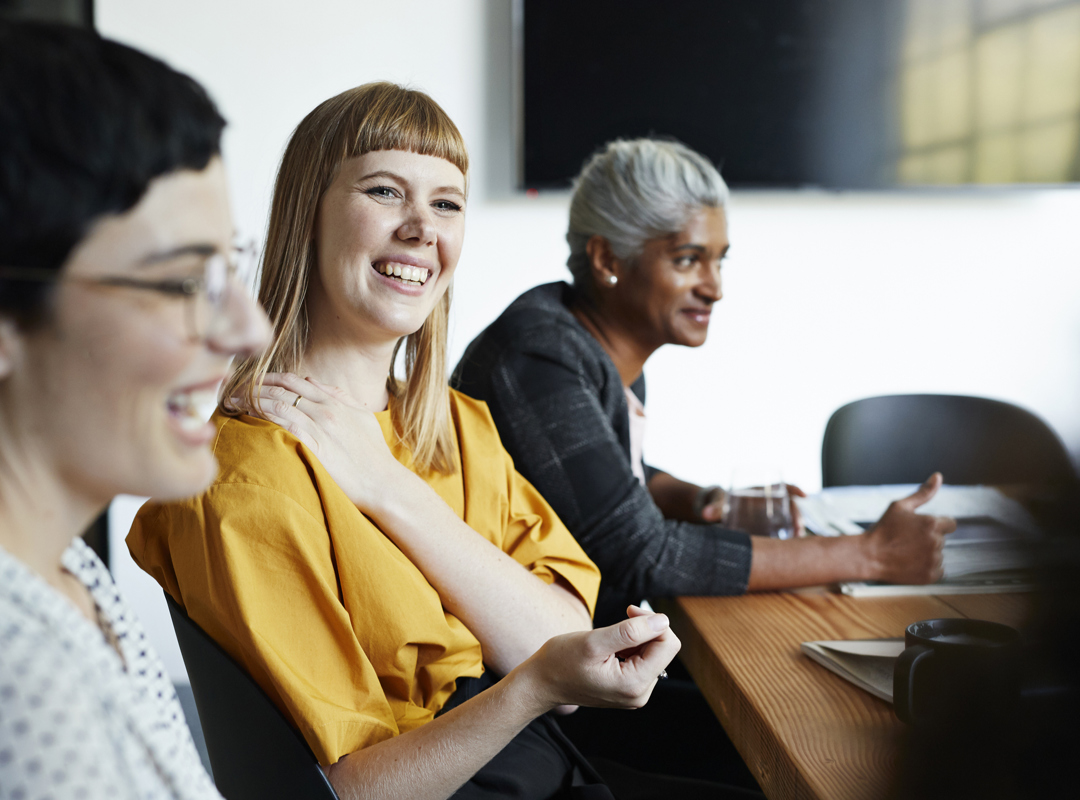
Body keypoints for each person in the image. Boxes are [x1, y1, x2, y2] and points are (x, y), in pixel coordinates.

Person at [126, 85, 718, 800]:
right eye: (384, 191)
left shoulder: (457, 425)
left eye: (446, 203)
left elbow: (560, 635)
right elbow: (351, 792)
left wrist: (390, 490)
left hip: (549, 766)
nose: (421, 229)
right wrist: (531, 686)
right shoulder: (245, 480)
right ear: (306, 213)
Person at [453, 137, 957, 628]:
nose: (715, 288)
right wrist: (869, 553)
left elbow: (603, 479)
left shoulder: (587, 345)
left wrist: (706, 501)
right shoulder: (540, 358)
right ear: (607, 260)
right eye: (687, 259)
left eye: (719, 260)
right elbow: (641, 554)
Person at [0, 22, 271, 800]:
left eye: (228, 268)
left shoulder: (69, 571)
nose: (248, 330)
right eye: (183, 282)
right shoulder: (19, 672)